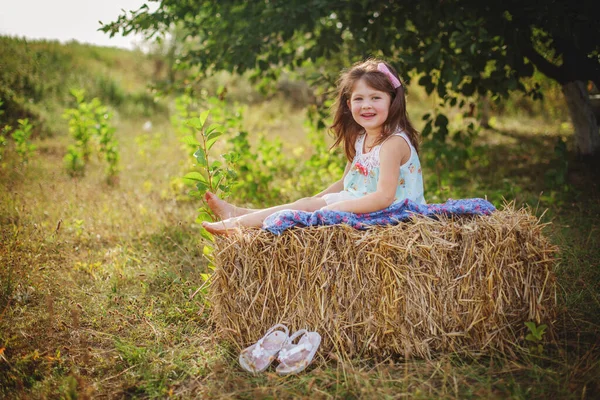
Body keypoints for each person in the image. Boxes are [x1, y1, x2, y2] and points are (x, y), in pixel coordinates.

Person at [202, 59, 425, 235]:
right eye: (359, 99)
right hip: (362, 203)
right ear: (349, 104)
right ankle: (241, 216)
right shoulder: (360, 138)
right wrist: (314, 201)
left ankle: (237, 223)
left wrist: (336, 208)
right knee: (306, 204)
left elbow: (384, 197)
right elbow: (344, 183)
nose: (366, 105)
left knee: (308, 207)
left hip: (393, 213)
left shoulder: (393, 143)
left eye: (376, 98)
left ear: (392, 101)